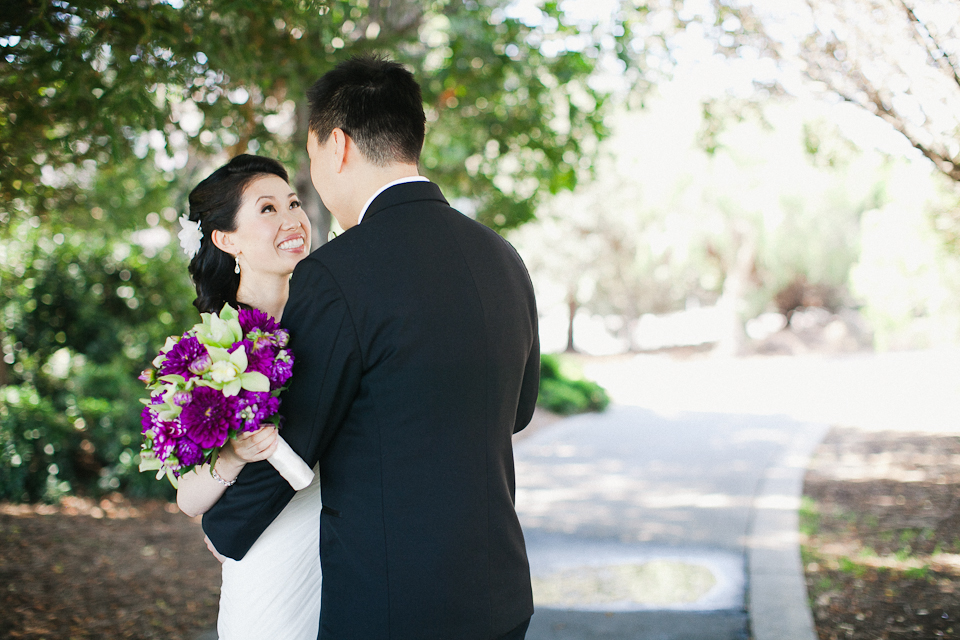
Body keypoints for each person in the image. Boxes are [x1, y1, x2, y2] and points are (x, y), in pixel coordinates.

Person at [203, 55, 540, 640]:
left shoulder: (336, 274)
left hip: (392, 607)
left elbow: (301, 435)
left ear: (336, 146)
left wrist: (224, 527)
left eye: (311, 159)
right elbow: (519, 410)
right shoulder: (503, 257)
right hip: (499, 594)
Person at [174, 154, 321, 640]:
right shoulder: (211, 348)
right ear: (226, 239)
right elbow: (189, 498)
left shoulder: (332, 323)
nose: (291, 219)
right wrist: (234, 456)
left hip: (345, 548)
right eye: (267, 209)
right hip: (267, 562)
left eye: (293, 203)